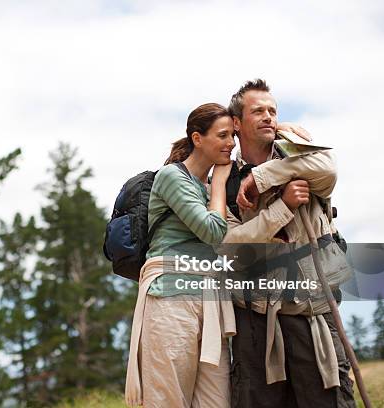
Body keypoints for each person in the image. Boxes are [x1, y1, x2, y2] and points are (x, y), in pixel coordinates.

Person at [223, 79, 355, 408]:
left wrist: (262, 177)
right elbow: (229, 244)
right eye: (258, 111)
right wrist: (284, 207)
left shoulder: (295, 152)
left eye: (273, 111)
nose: (268, 116)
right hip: (253, 320)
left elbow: (329, 166)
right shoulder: (223, 179)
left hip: (311, 312)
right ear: (237, 123)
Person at [125, 103, 236, 408]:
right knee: (168, 401)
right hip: (170, 300)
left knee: (217, 402)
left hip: (209, 301)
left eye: (233, 136)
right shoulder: (172, 177)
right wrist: (220, 183)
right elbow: (212, 231)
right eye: (222, 135)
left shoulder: (205, 186)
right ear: (197, 138)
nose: (231, 143)